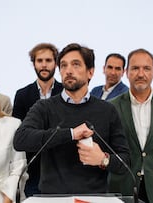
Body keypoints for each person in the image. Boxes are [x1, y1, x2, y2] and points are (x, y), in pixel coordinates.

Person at [13, 43, 130, 194]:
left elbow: (125, 161)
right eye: (63, 65)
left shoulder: (108, 110)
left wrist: (103, 159)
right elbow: (20, 140)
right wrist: (71, 134)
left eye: (76, 65)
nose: (68, 70)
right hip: (52, 198)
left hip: (94, 198)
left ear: (90, 72)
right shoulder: (44, 107)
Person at [108, 48, 153, 203]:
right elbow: (109, 145)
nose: (141, 74)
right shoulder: (111, 107)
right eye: (135, 68)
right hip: (123, 184)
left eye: (146, 68)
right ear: (127, 72)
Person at [12, 43, 63, 197]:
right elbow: (19, 134)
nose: (44, 65)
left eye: (48, 60)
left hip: (61, 168)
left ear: (56, 63)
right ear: (34, 64)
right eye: (39, 60)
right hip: (33, 169)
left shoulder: (65, 92)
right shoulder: (22, 95)